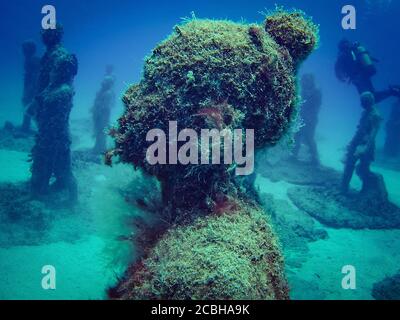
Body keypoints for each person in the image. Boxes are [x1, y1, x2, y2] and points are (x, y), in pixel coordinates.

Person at [336, 39, 400, 194]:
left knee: (355, 163)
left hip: (359, 78)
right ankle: (392, 91)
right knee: (372, 95)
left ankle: (348, 189)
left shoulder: (373, 115)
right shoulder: (355, 53)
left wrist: (357, 149)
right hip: (364, 74)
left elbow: (369, 135)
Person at [27, 25, 78, 203]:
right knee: (48, 154)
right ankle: (42, 186)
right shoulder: (50, 55)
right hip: (48, 119)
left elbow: (63, 88)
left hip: (55, 123)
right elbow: (47, 85)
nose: (45, 36)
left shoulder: (59, 56)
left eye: (48, 34)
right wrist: (38, 102)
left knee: (55, 156)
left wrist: (42, 101)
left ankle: (66, 193)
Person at [292, 73, 322, 165]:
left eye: (306, 81)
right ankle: (293, 155)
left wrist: (309, 116)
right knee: (297, 136)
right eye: (303, 81)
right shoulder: (303, 91)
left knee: (309, 138)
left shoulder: (316, 92)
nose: (304, 83)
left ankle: (315, 158)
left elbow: (316, 106)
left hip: (311, 119)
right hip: (301, 117)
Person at [91, 65, 116, 154]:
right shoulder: (103, 92)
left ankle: (101, 148)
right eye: (103, 81)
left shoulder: (108, 93)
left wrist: (98, 110)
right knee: (99, 130)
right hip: (99, 114)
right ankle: (98, 147)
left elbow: (105, 106)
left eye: (105, 82)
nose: (102, 83)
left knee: (102, 130)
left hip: (103, 114)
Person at [20, 40, 40, 134]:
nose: (23, 51)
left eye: (25, 49)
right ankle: (26, 126)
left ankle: (26, 127)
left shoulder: (33, 60)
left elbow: (35, 76)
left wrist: (30, 90)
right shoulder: (29, 60)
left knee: (29, 106)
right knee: (28, 106)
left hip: (32, 88)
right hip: (30, 87)